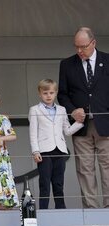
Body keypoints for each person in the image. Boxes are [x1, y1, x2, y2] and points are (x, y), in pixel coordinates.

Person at [58, 27, 109, 208]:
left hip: (106, 124)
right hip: (81, 126)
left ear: (93, 43)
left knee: (108, 168)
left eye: (83, 46)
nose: (79, 51)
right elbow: (62, 94)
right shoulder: (66, 64)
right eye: (76, 47)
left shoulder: (107, 60)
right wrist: (72, 111)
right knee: (85, 170)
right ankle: (91, 210)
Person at [29, 79, 84, 209]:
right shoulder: (35, 110)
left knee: (58, 183)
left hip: (60, 150)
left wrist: (80, 123)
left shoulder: (62, 109)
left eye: (51, 92)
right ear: (40, 93)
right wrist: (35, 151)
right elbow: (33, 133)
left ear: (56, 93)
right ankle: (43, 210)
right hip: (44, 151)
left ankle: (61, 209)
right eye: (45, 93)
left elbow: (67, 130)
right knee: (44, 182)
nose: (48, 95)